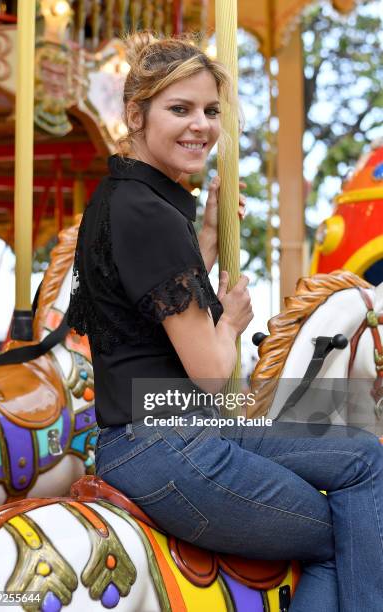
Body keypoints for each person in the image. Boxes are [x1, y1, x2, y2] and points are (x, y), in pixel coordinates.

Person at [68, 32, 383, 612]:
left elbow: (155, 309)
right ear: (136, 114)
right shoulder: (149, 213)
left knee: (366, 455)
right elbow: (212, 372)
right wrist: (233, 322)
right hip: (172, 440)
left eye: (211, 111)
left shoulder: (123, 198)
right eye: (179, 109)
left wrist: (208, 240)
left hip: (156, 427)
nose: (202, 126)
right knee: (345, 532)